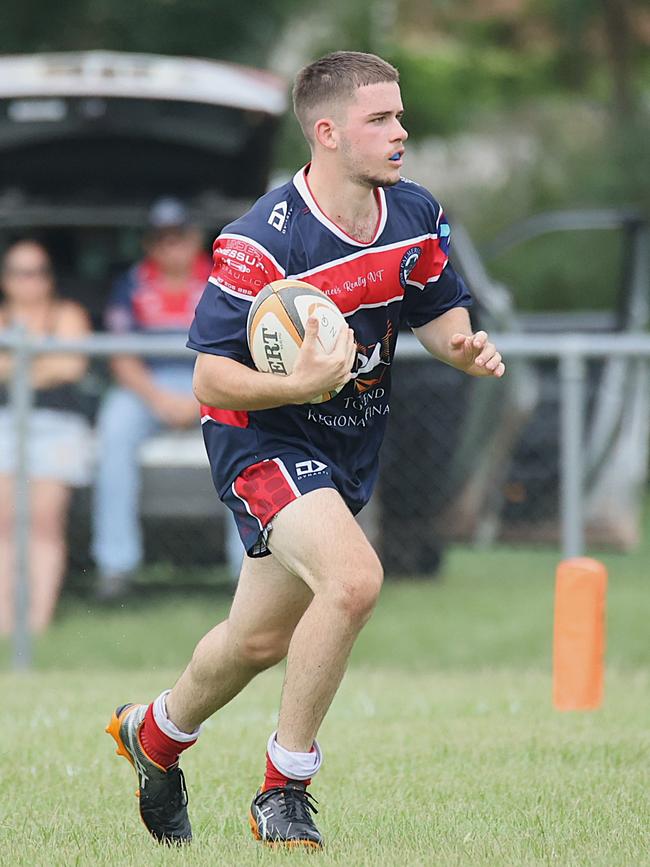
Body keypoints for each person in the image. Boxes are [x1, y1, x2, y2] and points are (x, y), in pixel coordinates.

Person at [106, 51, 506, 848]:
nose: (401, 132)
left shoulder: (413, 211)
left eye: (399, 116)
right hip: (261, 440)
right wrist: (300, 384)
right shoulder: (262, 242)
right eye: (380, 119)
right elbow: (212, 379)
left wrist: (463, 347)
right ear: (327, 132)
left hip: (345, 444)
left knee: (255, 639)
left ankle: (155, 733)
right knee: (355, 580)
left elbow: (437, 308)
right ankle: (283, 788)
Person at [91, 199, 241, 599]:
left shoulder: (221, 280)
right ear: (149, 244)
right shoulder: (132, 283)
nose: (170, 246)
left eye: (178, 237)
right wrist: (158, 399)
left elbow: (236, 349)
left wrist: (199, 397)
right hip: (147, 384)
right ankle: (115, 566)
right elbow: (120, 356)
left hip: (211, 378)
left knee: (249, 435)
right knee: (113, 425)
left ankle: (247, 565)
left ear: (195, 239)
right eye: (161, 239)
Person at [0, 240, 92, 634]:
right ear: (6, 279)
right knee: (5, 523)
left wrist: (19, 365)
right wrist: (42, 362)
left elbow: (71, 365)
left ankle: (38, 624)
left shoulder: (68, 314)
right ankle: (6, 624)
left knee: (44, 522)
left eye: (37, 272)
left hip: (59, 423)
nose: (29, 281)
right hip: (7, 421)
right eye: (20, 272)